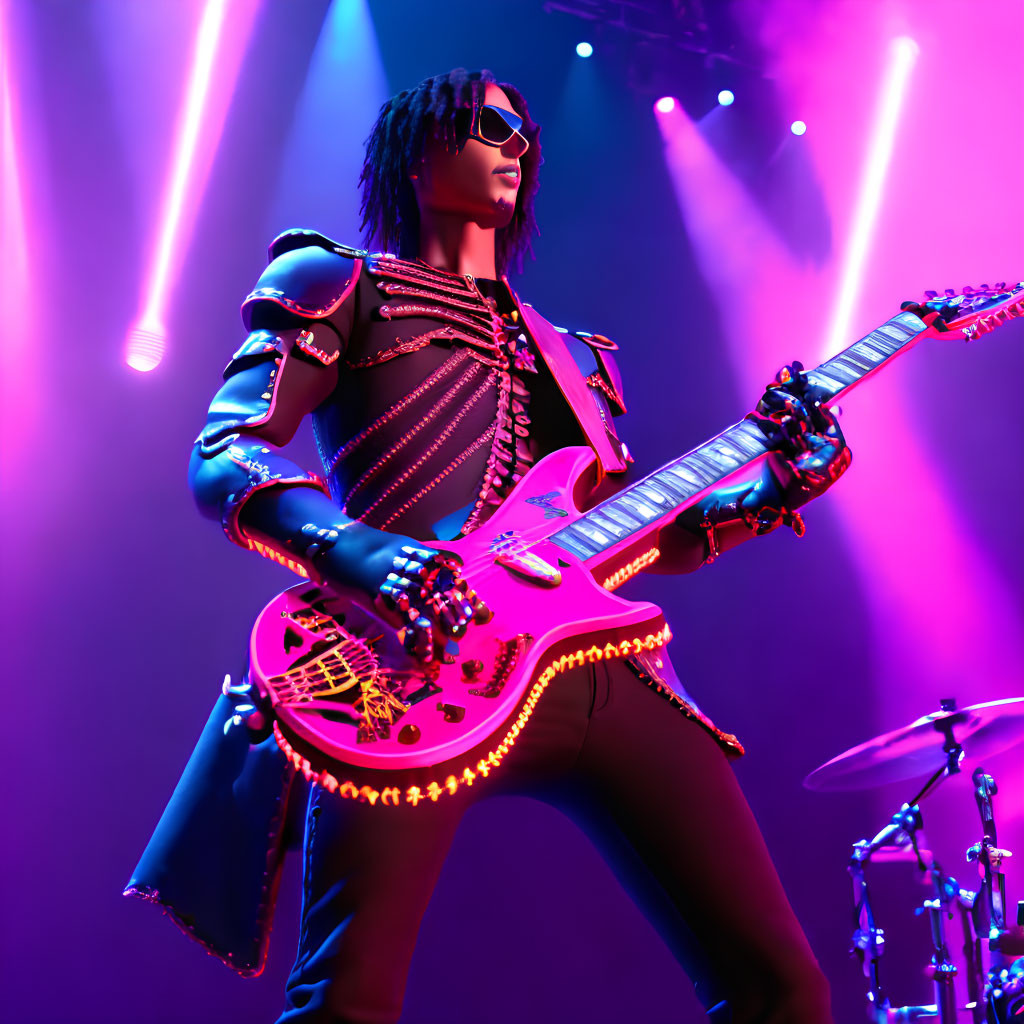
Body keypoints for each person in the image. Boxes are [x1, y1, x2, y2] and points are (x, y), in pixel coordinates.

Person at [127, 68, 849, 1023]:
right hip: (408, 660)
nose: (518, 144)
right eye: (491, 125)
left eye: (526, 133)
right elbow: (224, 453)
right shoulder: (334, 282)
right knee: (347, 999)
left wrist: (773, 489)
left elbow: (644, 535)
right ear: (421, 153)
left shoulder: (577, 354)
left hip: (611, 668)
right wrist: (358, 555)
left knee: (784, 988)